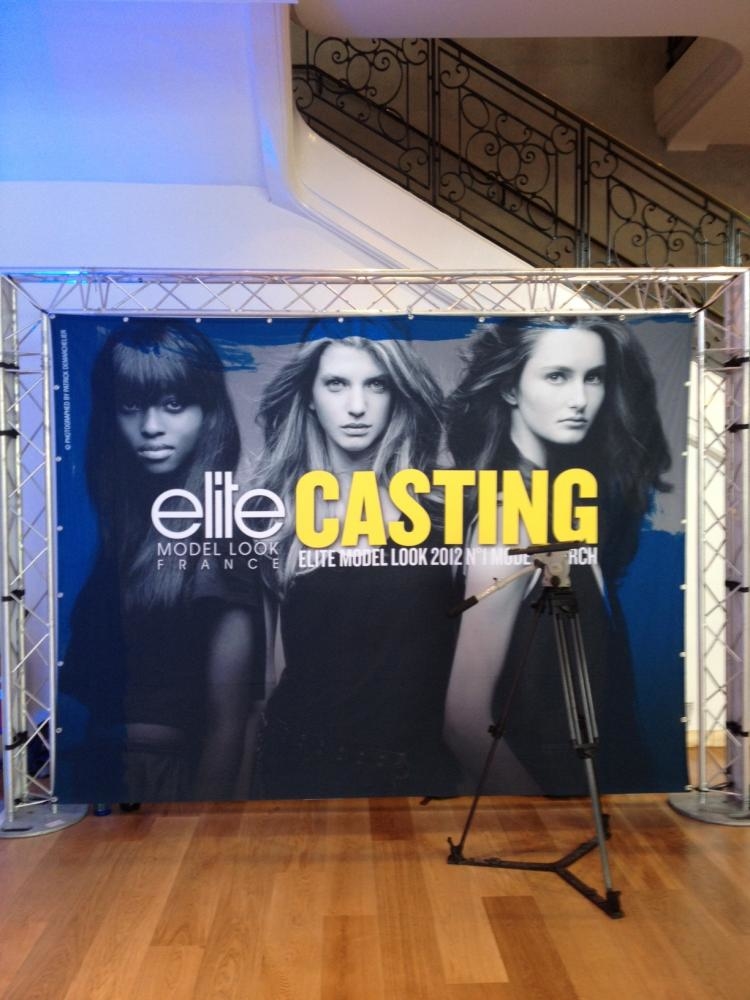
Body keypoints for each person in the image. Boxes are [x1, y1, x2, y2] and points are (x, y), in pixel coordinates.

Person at [443, 316, 672, 794]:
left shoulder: (570, 505)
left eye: (594, 377)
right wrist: (540, 816)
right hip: (543, 789)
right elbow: (463, 718)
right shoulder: (509, 516)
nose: (580, 399)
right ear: (510, 388)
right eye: (557, 376)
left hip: (591, 779)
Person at [58, 320, 262, 802]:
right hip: (100, 773)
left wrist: (202, 830)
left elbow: (229, 724)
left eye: (173, 404)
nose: (150, 427)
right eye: (130, 405)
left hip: (162, 778)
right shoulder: (122, 537)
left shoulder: (221, 537)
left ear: (209, 413)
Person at [252, 328, 461, 798]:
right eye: (336, 384)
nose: (357, 406)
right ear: (309, 397)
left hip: (413, 769)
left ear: (399, 393)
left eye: (377, 384)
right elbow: (269, 672)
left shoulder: (444, 507)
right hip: (297, 764)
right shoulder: (274, 511)